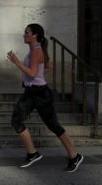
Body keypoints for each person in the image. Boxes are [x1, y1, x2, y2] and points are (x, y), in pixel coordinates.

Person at [7, 23, 84, 172]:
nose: (24, 34)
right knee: (16, 120)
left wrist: (17, 63)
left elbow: (33, 73)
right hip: (31, 92)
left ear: (34, 35)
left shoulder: (36, 51)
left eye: (27, 32)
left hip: (41, 94)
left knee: (53, 126)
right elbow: (47, 67)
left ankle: (75, 157)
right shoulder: (35, 50)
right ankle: (32, 153)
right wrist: (35, 75)